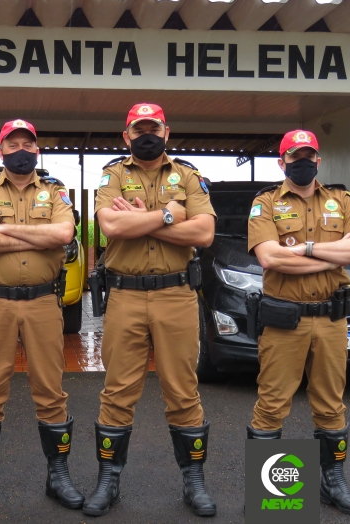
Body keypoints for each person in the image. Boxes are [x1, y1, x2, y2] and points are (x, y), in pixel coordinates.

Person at [83, 103, 217, 517]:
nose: (147, 135)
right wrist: (170, 213)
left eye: (153, 128)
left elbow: (205, 232)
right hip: (125, 295)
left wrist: (145, 218)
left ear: (166, 131)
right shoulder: (113, 176)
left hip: (176, 296)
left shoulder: (189, 176)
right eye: (138, 129)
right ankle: (108, 482)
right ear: (126, 135)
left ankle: (194, 483)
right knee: (118, 391)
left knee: (182, 391)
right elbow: (112, 227)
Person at [0, 119, 83, 512]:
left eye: (28, 143)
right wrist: (31, 232)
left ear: (36, 149)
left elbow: (64, 235)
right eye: (13, 144)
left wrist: (5, 231)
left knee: (50, 388)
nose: (21, 150)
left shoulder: (55, 192)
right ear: (1, 151)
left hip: (44, 301)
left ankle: (58, 476)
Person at [247, 129, 350, 515]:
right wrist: (334, 256)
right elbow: (270, 258)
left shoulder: (341, 200)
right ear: (282, 162)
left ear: (319, 160)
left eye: (309, 155)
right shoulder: (265, 203)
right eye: (295, 156)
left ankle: (332, 483)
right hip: (285, 321)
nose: (303, 162)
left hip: (331, 320)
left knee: (331, 405)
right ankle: (272, 496)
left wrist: (306, 249)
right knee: (272, 404)